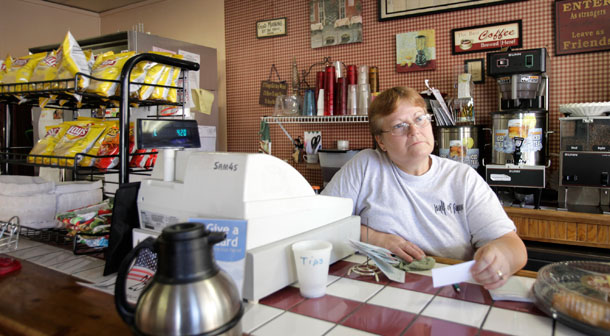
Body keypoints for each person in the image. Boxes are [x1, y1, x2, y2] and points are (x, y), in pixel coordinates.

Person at [322, 86, 527, 290]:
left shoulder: (462, 178)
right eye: (399, 126)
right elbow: (321, 223)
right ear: (381, 141)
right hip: (378, 287)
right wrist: (377, 238)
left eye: (419, 119)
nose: (414, 131)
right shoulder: (366, 165)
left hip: (450, 291)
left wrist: (501, 258)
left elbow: (513, 246)